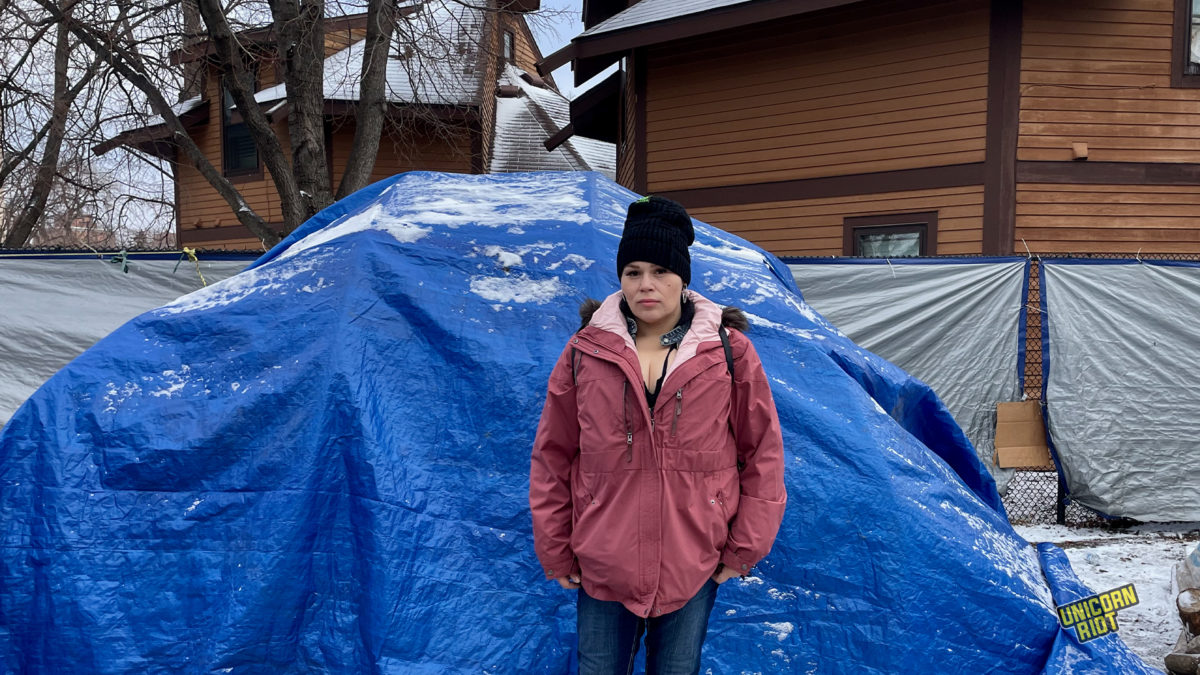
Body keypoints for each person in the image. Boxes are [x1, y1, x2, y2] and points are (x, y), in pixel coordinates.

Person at [529, 196, 787, 675]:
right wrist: (555, 545)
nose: (646, 284)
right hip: (603, 560)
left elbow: (763, 451)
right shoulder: (586, 351)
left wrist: (745, 546)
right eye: (632, 271)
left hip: (693, 559)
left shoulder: (728, 353)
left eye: (660, 271)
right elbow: (553, 454)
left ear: (682, 278)